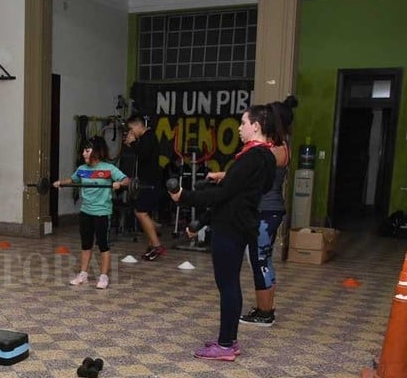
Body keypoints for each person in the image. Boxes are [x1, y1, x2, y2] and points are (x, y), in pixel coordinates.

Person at [170, 105, 279, 360]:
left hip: (232, 227)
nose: (239, 128)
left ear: (257, 126)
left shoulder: (252, 157)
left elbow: (223, 195)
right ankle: (228, 339)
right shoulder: (265, 157)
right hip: (239, 222)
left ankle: (226, 345)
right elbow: (236, 191)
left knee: (228, 284)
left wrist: (184, 196)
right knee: (229, 283)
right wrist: (203, 220)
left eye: (243, 123)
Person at [238, 95, 298, 326]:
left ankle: (265, 313)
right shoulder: (276, 146)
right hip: (267, 210)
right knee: (263, 260)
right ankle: (265, 308)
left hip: (266, 211)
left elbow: (250, 172)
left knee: (259, 260)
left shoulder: (276, 150)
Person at [54, 136, 130, 289]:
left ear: (97, 151)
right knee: (86, 245)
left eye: (87, 150)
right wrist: (60, 183)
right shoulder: (82, 169)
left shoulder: (108, 168)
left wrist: (119, 184)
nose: (84, 153)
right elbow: (73, 180)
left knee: (103, 245)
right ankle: (83, 274)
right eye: (83, 150)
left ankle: (103, 277)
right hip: (86, 212)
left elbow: (126, 180)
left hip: (102, 213)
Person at [123, 114, 167, 260]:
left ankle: (156, 245)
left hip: (150, 183)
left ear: (137, 125)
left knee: (141, 213)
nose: (130, 132)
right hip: (146, 182)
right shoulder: (146, 138)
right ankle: (152, 240)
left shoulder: (148, 137)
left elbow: (145, 154)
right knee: (143, 213)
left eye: (131, 129)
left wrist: (134, 143)